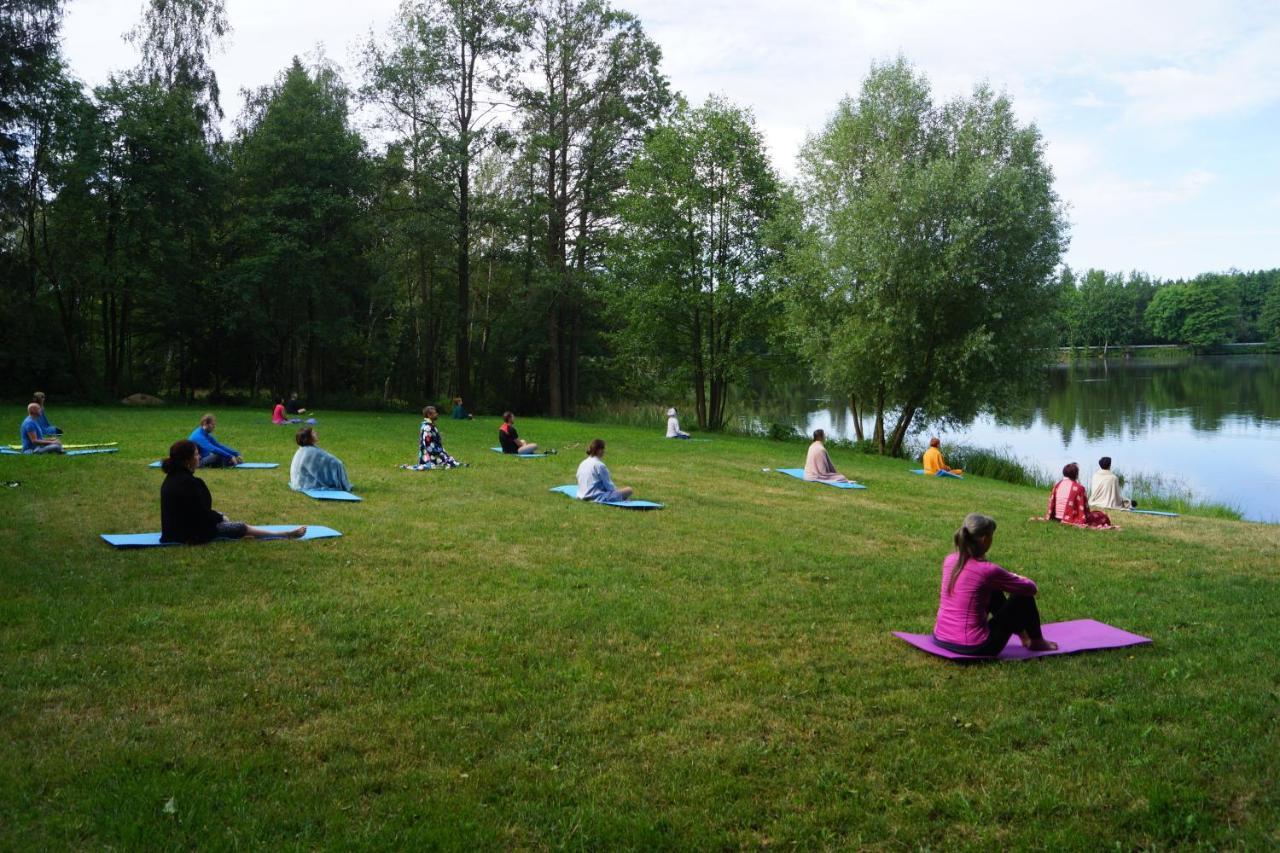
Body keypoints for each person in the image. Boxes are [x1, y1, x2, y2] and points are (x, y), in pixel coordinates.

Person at [932, 513, 1057, 655]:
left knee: (993, 590)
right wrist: (1016, 577)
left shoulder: (949, 560)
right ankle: (1037, 641)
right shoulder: (987, 571)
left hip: (940, 638)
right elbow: (1031, 588)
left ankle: (1022, 634)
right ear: (985, 540)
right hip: (975, 647)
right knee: (1022, 596)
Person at [160, 439, 304, 544]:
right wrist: (220, 518)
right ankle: (283, 534)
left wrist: (216, 515)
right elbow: (201, 516)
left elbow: (193, 510)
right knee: (240, 526)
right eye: (196, 454)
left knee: (221, 517)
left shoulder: (170, 479)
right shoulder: (190, 483)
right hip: (190, 534)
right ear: (187, 460)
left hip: (172, 532)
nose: (199, 457)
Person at [1047, 462, 1114, 528]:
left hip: (1057, 517)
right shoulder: (1079, 488)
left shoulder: (1057, 485)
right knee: (1102, 516)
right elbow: (1085, 509)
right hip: (1071, 518)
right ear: (1076, 474)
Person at [289, 427, 353, 492]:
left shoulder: (303, 449)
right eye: (313, 433)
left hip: (298, 481)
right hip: (304, 483)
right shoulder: (310, 452)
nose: (316, 433)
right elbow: (333, 462)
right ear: (308, 438)